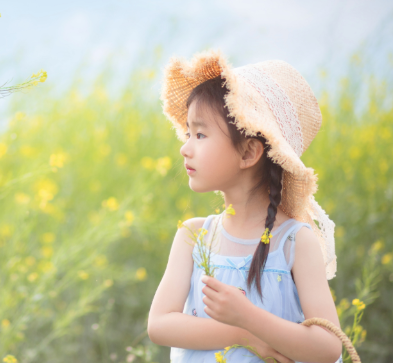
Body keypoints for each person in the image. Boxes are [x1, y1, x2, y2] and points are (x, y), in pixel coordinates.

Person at [147, 49, 343, 363]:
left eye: (199, 134)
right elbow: (159, 325)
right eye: (187, 133)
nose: (185, 148)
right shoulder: (193, 235)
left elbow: (328, 347)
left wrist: (248, 317)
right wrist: (243, 333)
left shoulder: (294, 241)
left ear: (248, 153)